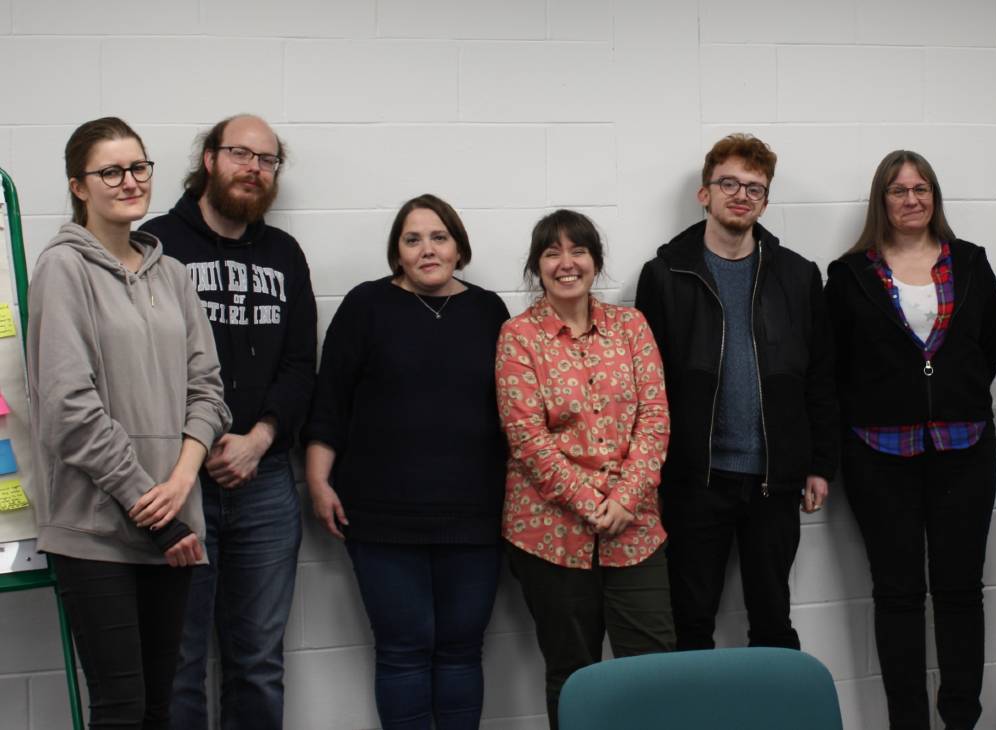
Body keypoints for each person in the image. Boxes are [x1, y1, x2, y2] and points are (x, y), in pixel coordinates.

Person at [26, 116, 231, 729]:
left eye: (138, 167)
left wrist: (181, 483)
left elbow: (209, 390)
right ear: (78, 186)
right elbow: (69, 407)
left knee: (159, 708)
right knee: (119, 710)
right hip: (97, 528)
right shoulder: (62, 270)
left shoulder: (171, 275)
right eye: (110, 171)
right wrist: (152, 501)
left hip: (172, 515)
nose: (129, 181)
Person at [303, 194, 509, 730]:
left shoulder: (489, 311)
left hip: (474, 513)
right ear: (397, 253)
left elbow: (515, 409)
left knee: (462, 649)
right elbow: (330, 400)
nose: (427, 249)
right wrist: (318, 478)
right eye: (412, 239)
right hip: (381, 516)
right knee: (402, 650)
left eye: (439, 237)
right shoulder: (366, 305)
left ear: (459, 247)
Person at [140, 114, 316, 730]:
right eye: (241, 153)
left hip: (265, 484)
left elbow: (300, 367)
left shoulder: (284, 254)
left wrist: (259, 438)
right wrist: (196, 450)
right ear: (209, 159)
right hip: (177, 486)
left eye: (267, 160)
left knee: (259, 662)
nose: (254, 168)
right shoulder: (154, 245)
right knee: (178, 662)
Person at [634, 133, 836, 651]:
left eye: (755, 188)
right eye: (730, 183)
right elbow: (645, 386)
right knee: (691, 623)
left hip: (774, 480)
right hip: (694, 480)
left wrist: (819, 463)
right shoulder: (664, 275)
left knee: (773, 623)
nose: (742, 195)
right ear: (705, 193)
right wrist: (650, 473)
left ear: (765, 201)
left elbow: (819, 375)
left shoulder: (797, 275)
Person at [825, 150, 996, 730]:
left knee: (959, 592)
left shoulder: (971, 263)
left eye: (921, 189)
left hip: (964, 450)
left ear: (935, 198)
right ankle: (908, 722)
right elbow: (834, 364)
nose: (911, 200)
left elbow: (990, 345)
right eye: (898, 191)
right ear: (882, 201)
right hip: (879, 455)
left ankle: (959, 720)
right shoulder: (849, 273)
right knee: (897, 596)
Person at [497, 209, 674, 728]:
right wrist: (590, 503)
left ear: (596, 261)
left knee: (654, 671)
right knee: (575, 677)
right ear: (537, 266)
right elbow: (528, 440)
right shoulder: (518, 337)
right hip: (549, 535)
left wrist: (624, 501)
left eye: (578, 251)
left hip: (635, 528)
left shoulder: (632, 326)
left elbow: (655, 420)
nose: (566, 263)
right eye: (552, 253)